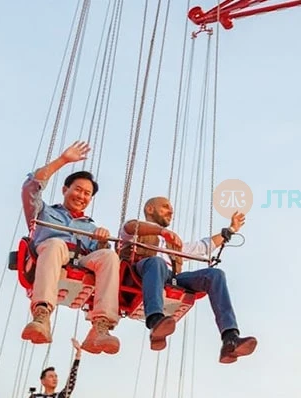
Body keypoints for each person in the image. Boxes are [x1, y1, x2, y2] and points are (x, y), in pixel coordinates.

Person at [118, 196, 258, 364]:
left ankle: (230, 338)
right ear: (150, 209)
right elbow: (130, 227)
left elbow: (203, 247)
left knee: (215, 275)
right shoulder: (134, 231)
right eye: (165, 207)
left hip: (171, 278)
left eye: (171, 209)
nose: (171, 211)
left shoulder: (174, 244)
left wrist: (231, 230)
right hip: (141, 273)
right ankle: (155, 321)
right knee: (157, 262)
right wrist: (161, 232)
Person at [21, 140, 122, 355]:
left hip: (80, 262)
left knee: (110, 257)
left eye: (87, 194)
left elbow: (98, 255)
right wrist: (63, 160)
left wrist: (102, 241)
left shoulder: (89, 226)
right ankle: (42, 314)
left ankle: (100, 327)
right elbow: (30, 187)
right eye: (78, 190)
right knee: (56, 244)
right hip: (51, 256)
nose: (82, 196)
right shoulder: (44, 213)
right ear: (65, 189)